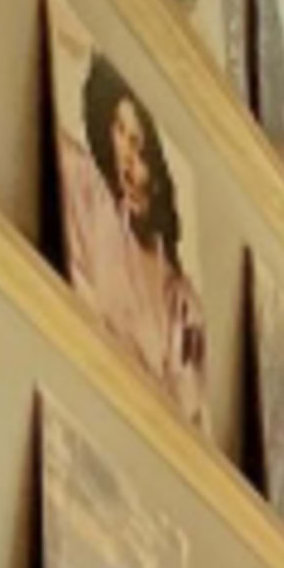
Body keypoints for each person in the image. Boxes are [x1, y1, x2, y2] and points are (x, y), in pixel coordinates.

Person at [64, 55, 205, 418]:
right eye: (118, 132)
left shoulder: (176, 292)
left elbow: (188, 407)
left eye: (137, 142)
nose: (128, 157)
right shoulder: (92, 195)